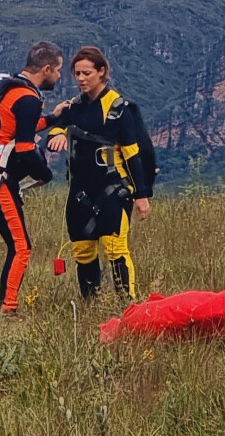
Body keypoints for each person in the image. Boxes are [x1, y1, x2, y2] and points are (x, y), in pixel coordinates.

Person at [0, 41, 63, 314]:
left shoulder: (10, 87)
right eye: (59, 70)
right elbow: (26, 149)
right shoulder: (29, 98)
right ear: (47, 68)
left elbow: (16, 125)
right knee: (21, 247)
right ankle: (9, 309)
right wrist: (45, 174)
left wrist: (53, 118)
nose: (60, 76)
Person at [47, 46, 151, 302]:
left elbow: (132, 155)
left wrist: (141, 195)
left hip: (112, 190)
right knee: (82, 252)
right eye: (77, 74)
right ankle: (89, 306)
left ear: (102, 72)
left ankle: (128, 306)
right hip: (80, 191)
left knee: (115, 248)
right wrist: (58, 133)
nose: (81, 79)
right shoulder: (72, 107)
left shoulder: (118, 109)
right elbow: (57, 125)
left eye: (87, 73)